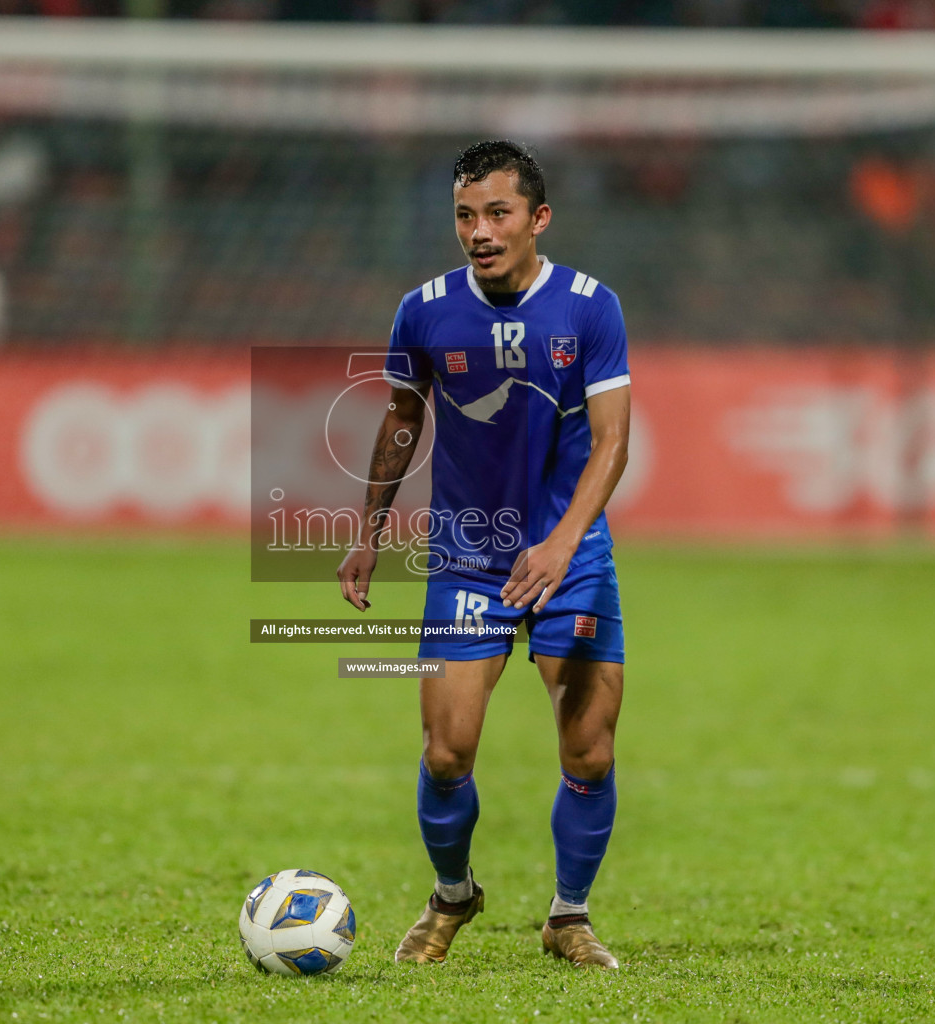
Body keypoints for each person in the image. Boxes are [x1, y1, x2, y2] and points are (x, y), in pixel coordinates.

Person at [336, 140, 632, 969]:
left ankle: (568, 916)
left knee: (590, 750)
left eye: (497, 213)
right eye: (466, 215)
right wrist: (369, 531)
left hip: (568, 554)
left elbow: (614, 442)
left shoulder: (589, 307)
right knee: (445, 752)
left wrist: (563, 544)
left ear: (538, 219)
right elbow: (402, 417)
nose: (479, 231)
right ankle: (453, 893)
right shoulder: (425, 310)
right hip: (468, 554)